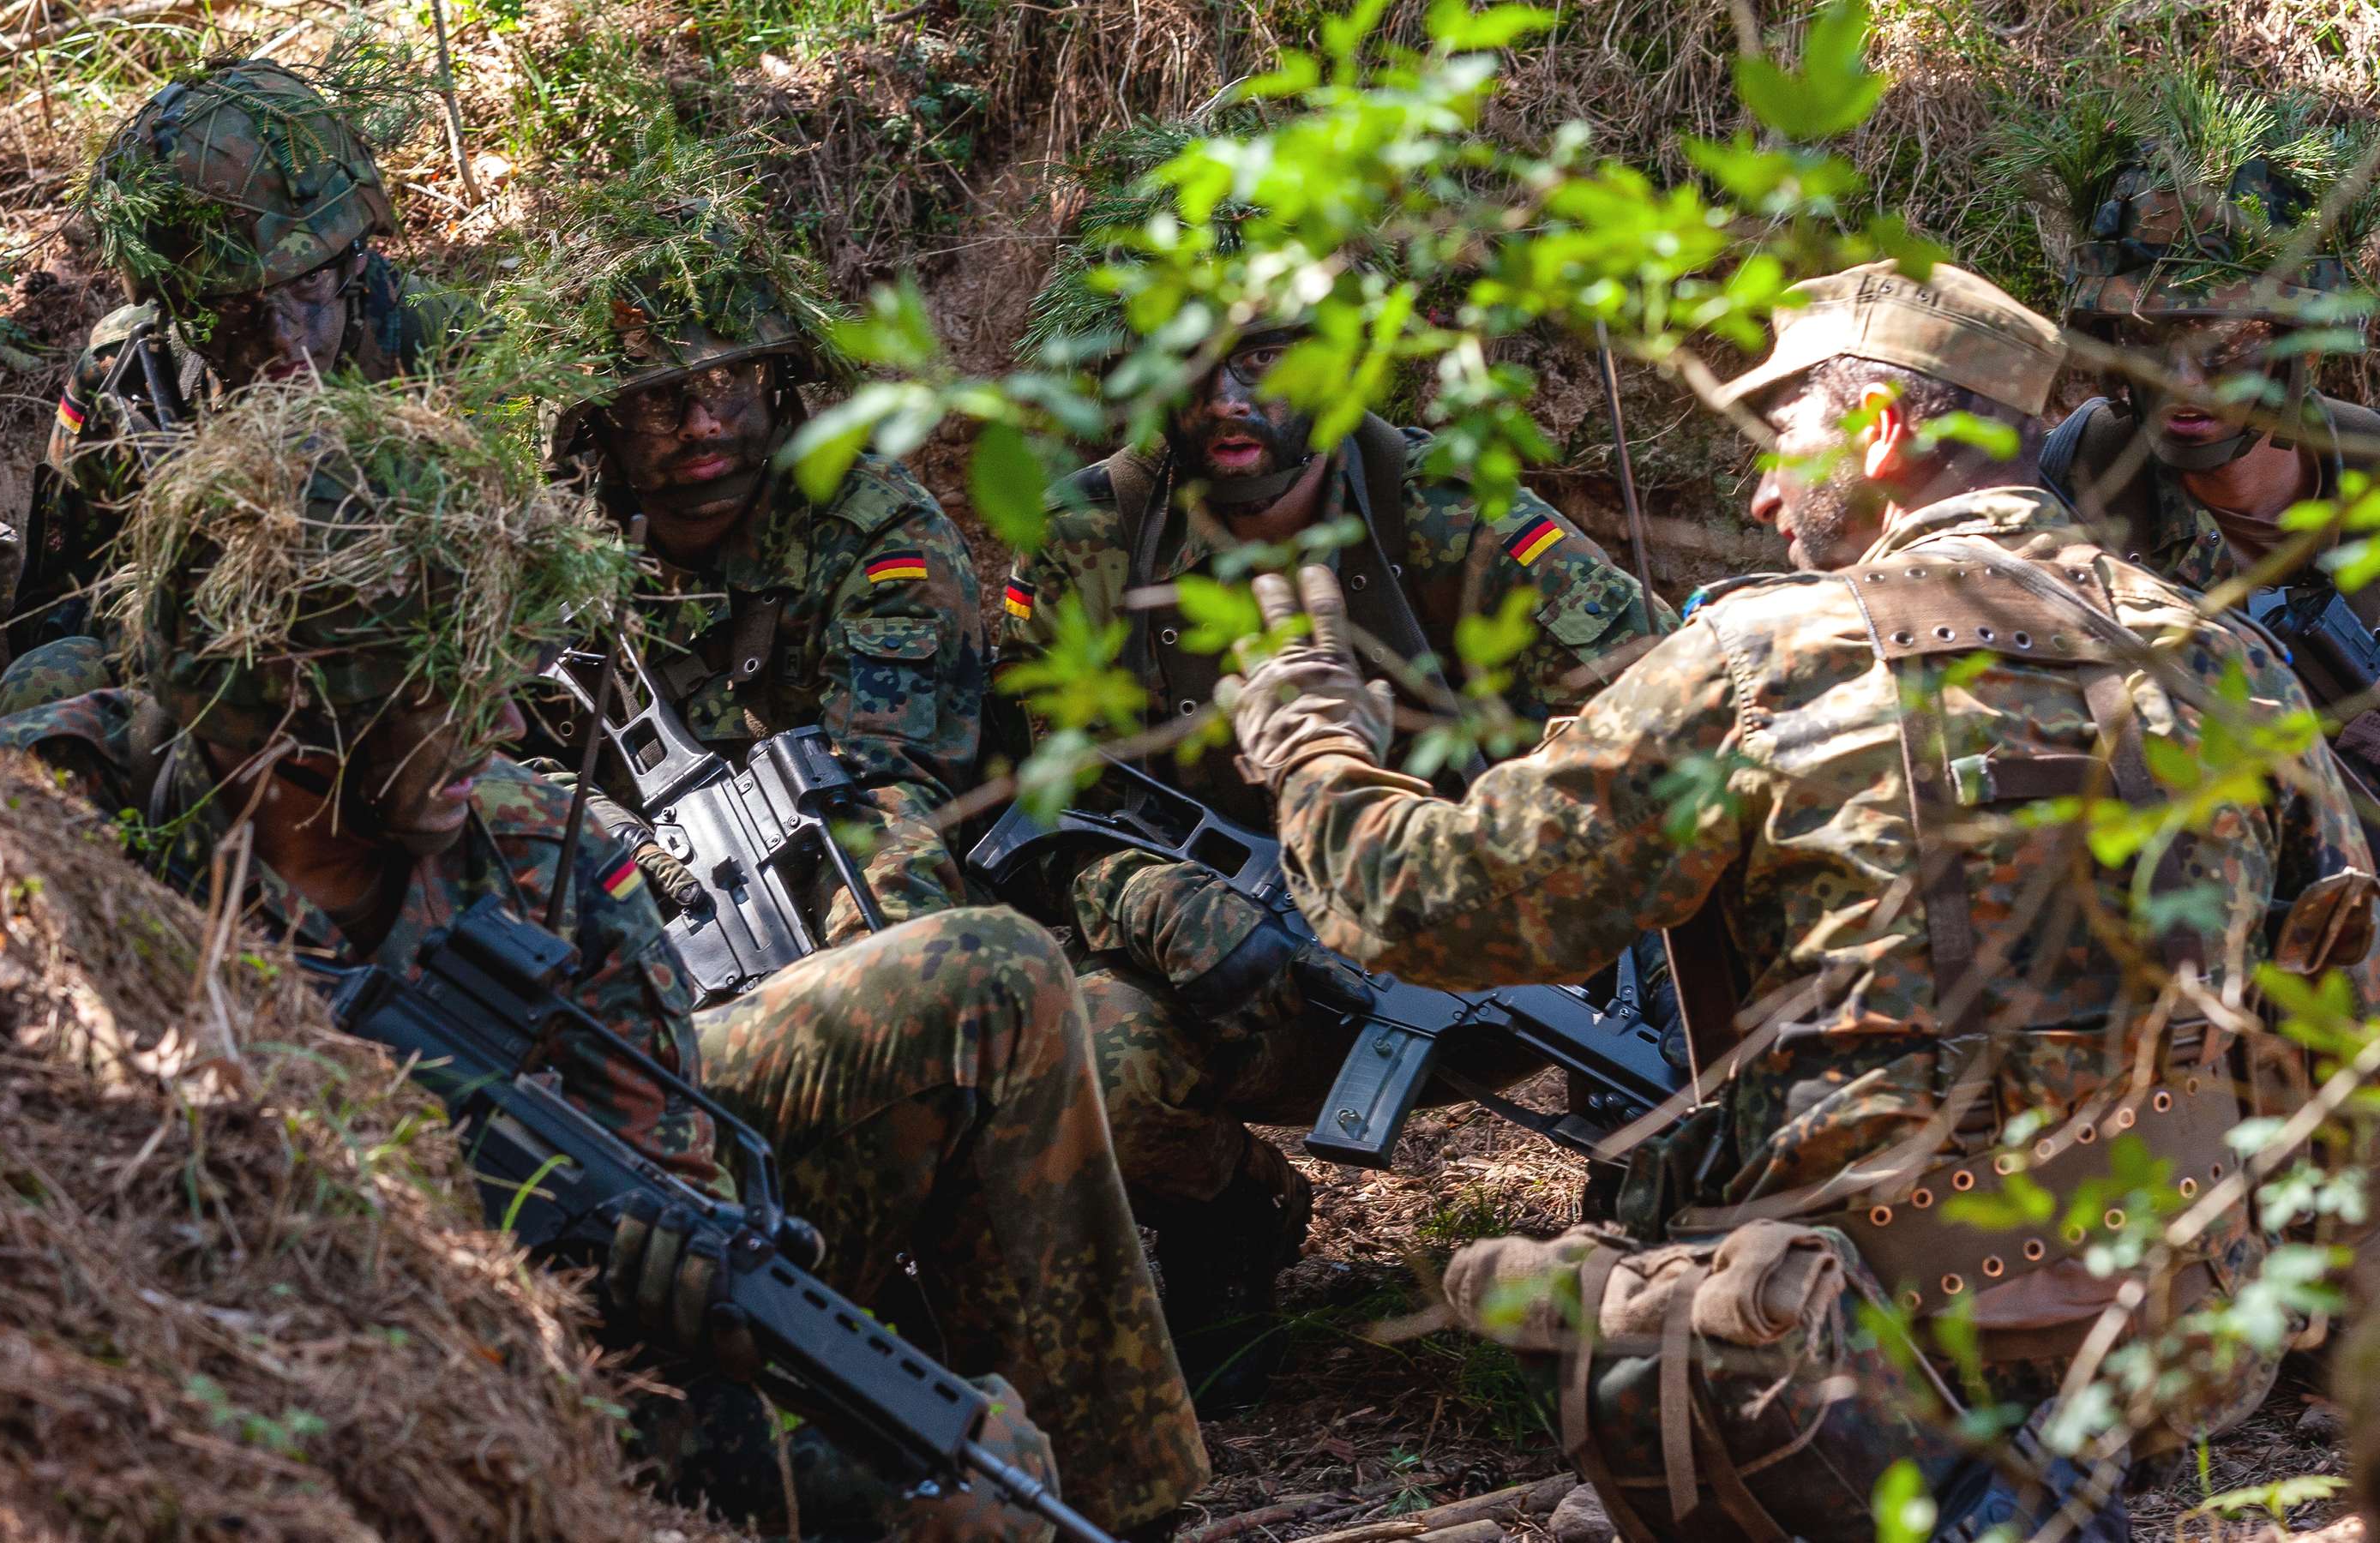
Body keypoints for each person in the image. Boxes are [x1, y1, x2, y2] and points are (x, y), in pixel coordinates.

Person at [1223, 260, 2380, 1540]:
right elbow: (2331, 1017)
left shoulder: (1760, 661)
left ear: (1883, 432)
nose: (1765, 486)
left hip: (1855, 1336)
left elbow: (1426, 909)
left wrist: (1312, 745)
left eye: (1784, 434)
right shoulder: (2230, 658)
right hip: (2179, 1330)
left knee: (1560, 1293)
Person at [0, 378, 1205, 1539]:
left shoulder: (533, 846)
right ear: (309, 706)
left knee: (969, 1471)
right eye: (450, 692)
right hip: (250, 1336)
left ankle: (1112, 1504)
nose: (508, 726)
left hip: (550, 1323)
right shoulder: (74, 819)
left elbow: (663, 1178)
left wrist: (708, 1320)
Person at [988, 116, 1674, 1407]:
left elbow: (1667, 720)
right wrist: (1150, 900)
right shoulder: (1092, 534)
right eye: (1192, 360)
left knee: (1693, 968)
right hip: (1241, 982)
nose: (1227, 401)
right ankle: (1232, 1221)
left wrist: (1554, 891)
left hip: (1487, 962)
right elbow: (1035, 808)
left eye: (1267, 357)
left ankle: (1643, 1260)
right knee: (1084, 1056)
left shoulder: (1452, 508)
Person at [534, 168, 983, 946]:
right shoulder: (553, 563)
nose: (702, 424)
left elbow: (889, 797)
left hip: (840, 903)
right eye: (655, 399)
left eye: (726, 380)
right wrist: (613, 838)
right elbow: (477, 769)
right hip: (632, 924)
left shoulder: (872, 530)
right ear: (597, 424)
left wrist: (866, 979)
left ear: (777, 380)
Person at [0, 57, 478, 713]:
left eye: (306, 283)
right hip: (202, 690)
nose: (280, 336)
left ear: (352, 255)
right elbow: (59, 601)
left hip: (408, 697)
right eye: (234, 306)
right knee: (43, 683)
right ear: (177, 307)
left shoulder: (441, 346)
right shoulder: (131, 376)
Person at [2022, 80, 2380, 783]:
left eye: (2228, 348)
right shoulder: (2080, 475)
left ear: (2300, 350)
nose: (2185, 384)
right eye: (2154, 343)